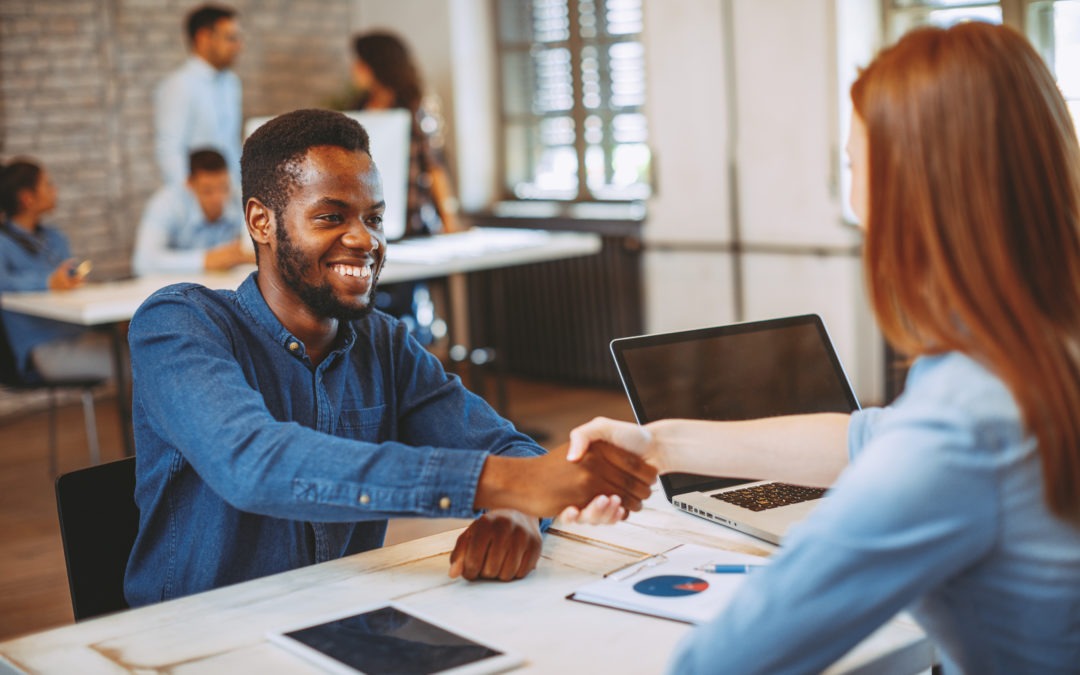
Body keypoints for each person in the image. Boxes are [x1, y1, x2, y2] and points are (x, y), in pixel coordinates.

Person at [563, 22, 1080, 674]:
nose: (859, 202)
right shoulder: (1038, 352)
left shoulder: (968, 418)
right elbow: (871, 438)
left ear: (912, 190)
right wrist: (660, 441)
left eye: (853, 167)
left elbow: (727, 660)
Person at [123, 108, 656, 607]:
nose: (364, 239)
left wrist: (516, 510)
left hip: (336, 624)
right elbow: (254, 464)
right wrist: (507, 484)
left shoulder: (381, 342)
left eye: (374, 218)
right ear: (261, 222)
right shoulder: (178, 324)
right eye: (331, 216)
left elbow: (508, 448)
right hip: (196, 643)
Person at [349, 31, 460, 342]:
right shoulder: (357, 109)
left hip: (411, 225)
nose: (353, 70)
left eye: (358, 63)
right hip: (369, 225)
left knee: (403, 310)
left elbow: (434, 167)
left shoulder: (413, 110)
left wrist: (450, 219)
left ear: (373, 65)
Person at [0, 159, 112, 383]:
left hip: (79, 336)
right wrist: (48, 282)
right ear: (27, 198)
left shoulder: (54, 238)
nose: (55, 190)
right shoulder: (4, 243)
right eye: (48, 185)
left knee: (140, 347)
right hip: (43, 349)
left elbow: (68, 279)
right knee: (134, 360)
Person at [155, 4, 243, 188]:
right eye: (230, 38)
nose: (238, 46)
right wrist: (192, 201)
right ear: (203, 38)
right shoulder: (179, 85)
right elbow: (170, 150)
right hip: (199, 198)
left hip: (229, 194)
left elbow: (231, 144)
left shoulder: (232, 82)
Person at [132, 149, 253, 276]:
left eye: (224, 188)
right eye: (207, 190)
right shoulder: (166, 204)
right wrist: (205, 260)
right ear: (190, 184)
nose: (218, 198)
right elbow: (144, 263)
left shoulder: (242, 199)